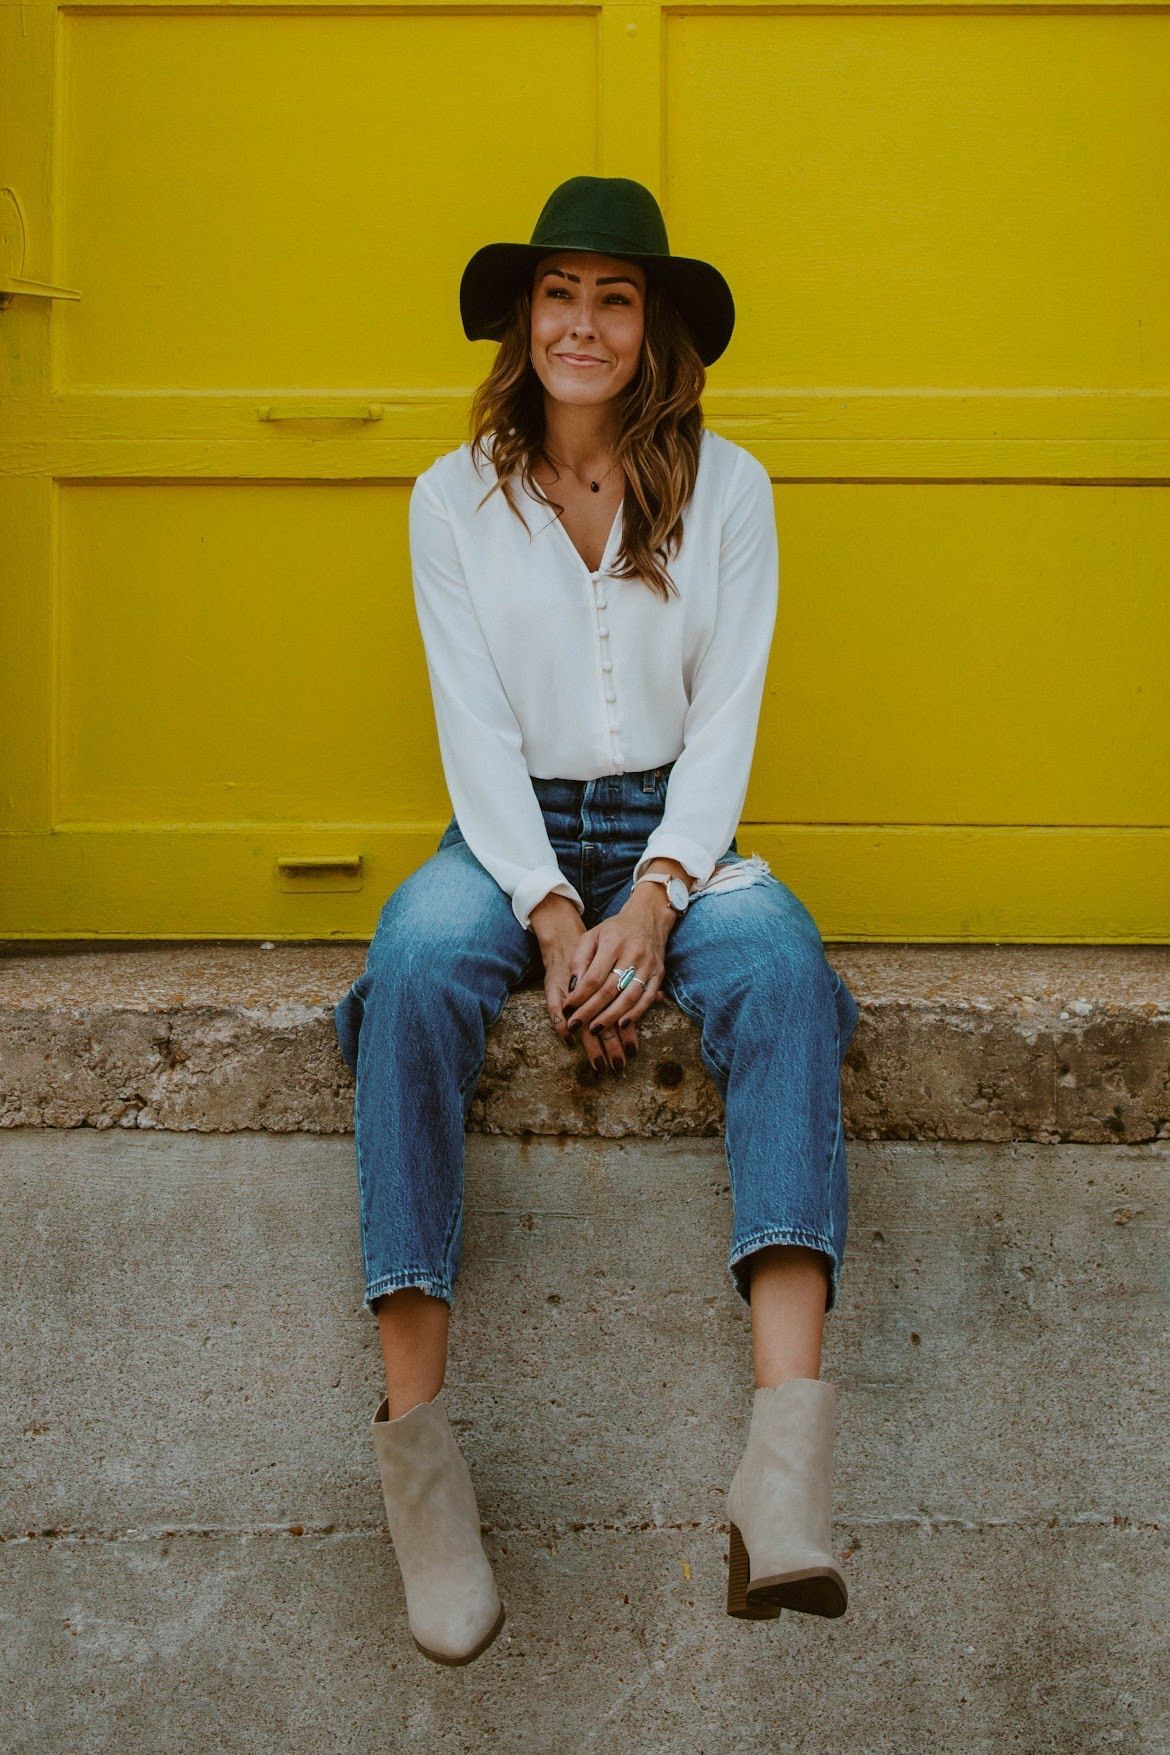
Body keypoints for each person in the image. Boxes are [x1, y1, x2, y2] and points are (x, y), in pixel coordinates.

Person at [333, 175, 861, 1665]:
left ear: (652, 330)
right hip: (509, 837)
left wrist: (656, 895)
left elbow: (728, 715)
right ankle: (421, 1469)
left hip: (673, 835)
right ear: (524, 319)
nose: (582, 322)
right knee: (421, 964)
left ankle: (783, 1475)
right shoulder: (452, 496)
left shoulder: (731, 487)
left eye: (613, 299)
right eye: (558, 294)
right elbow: (473, 732)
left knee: (781, 970)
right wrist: (560, 925)